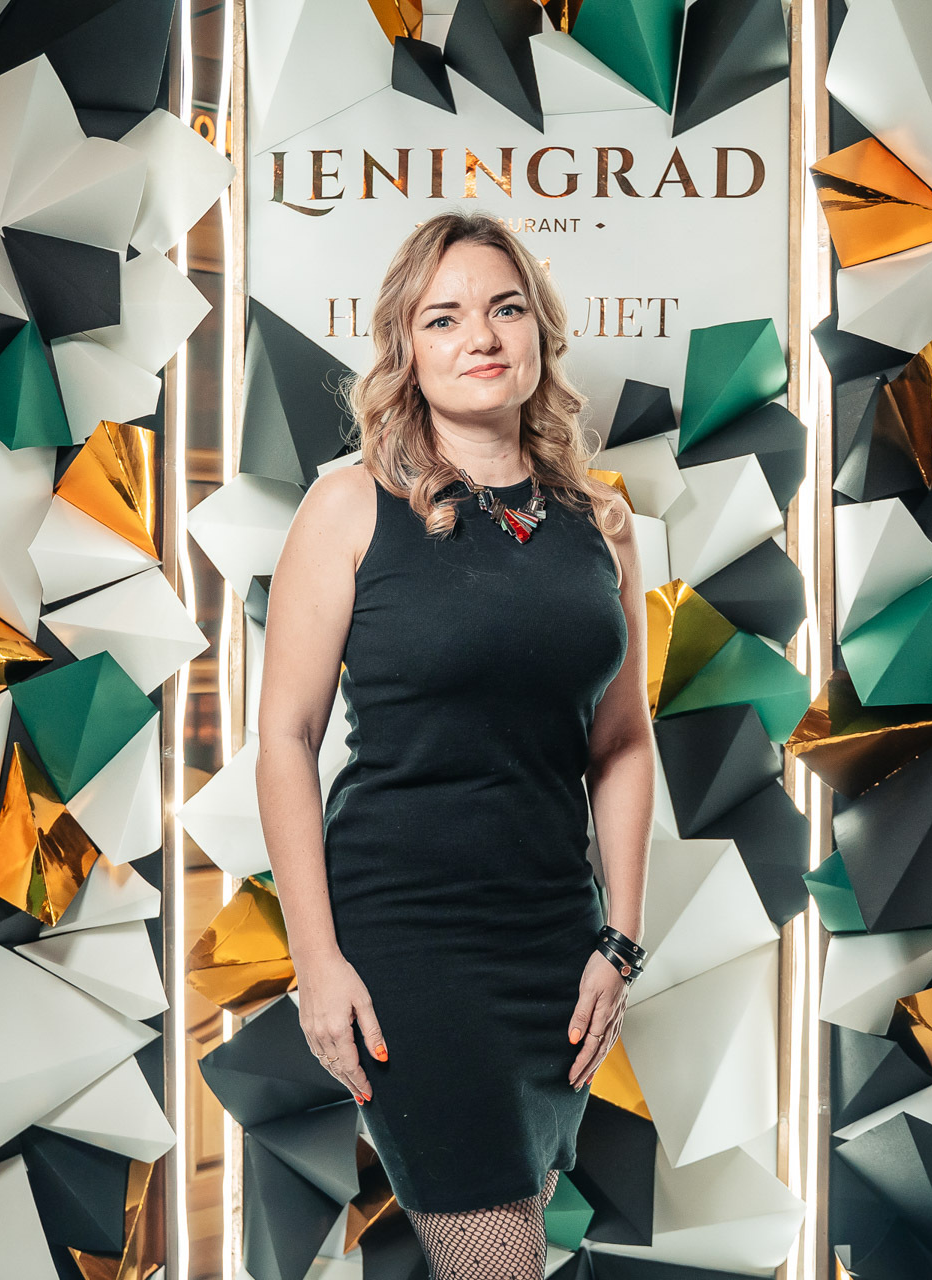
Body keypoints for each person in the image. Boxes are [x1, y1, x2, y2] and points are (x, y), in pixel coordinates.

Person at [255, 209, 656, 1279]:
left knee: (511, 1240)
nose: (480, 334)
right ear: (407, 347)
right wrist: (315, 962)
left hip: (555, 949)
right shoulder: (348, 506)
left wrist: (620, 938)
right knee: (497, 1260)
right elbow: (286, 736)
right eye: (444, 317)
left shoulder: (603, 526)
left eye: (505, 307)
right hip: (408, 948)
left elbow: (623, 742)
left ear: (540, 333)